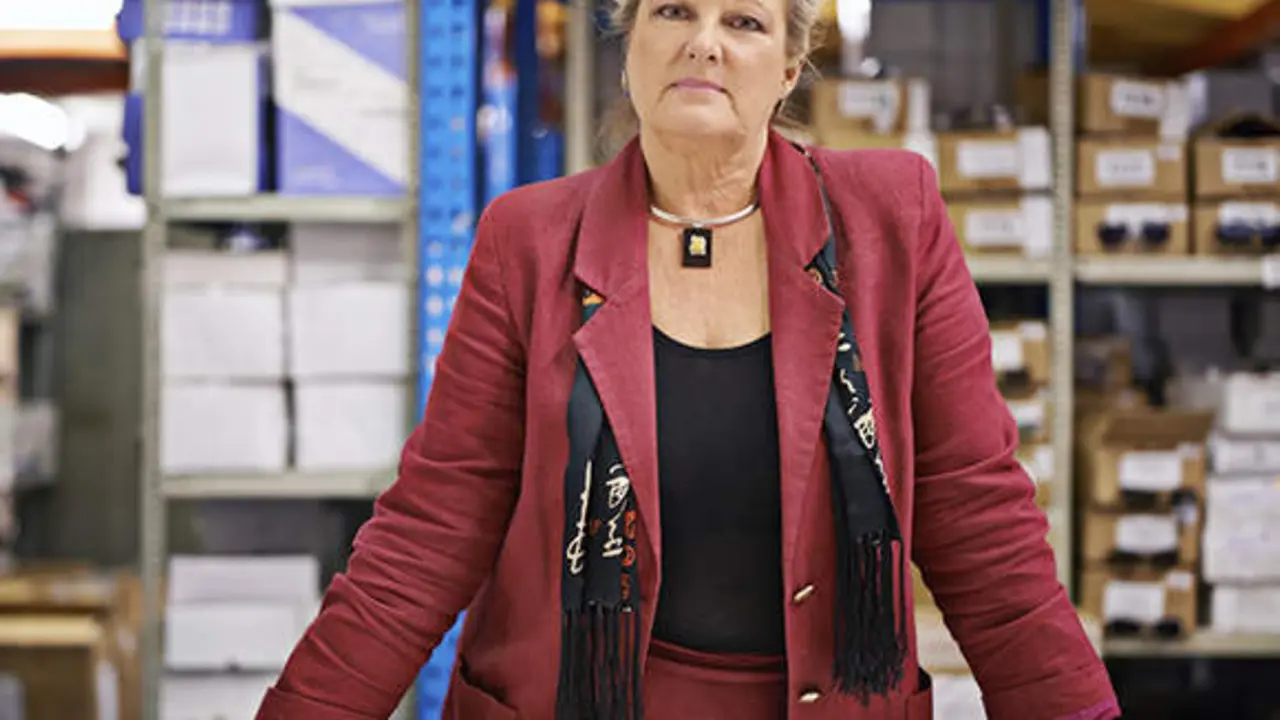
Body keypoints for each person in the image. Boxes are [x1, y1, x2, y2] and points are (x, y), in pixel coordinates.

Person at [257, 0, 1121, 718]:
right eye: (673, 10)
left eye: (743, 21)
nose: (703, 40)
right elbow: (430, 530)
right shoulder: (527, 241)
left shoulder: (894, 220)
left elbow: (981, 523)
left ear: (787, 69)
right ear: (628, 47)